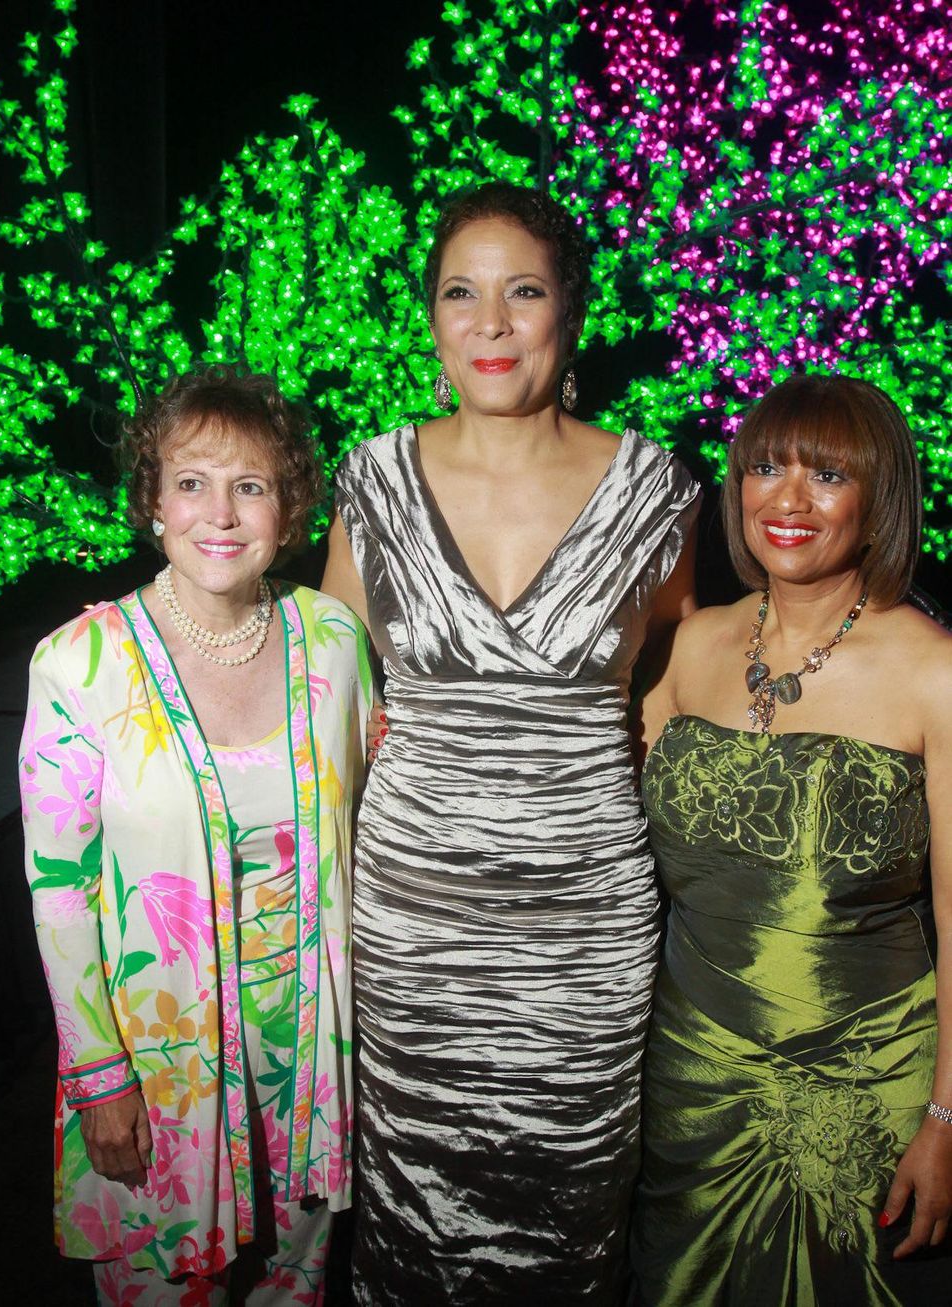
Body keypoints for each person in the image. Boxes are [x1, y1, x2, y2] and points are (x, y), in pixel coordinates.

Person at [321, 181, 700, 1304]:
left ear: (568, 312)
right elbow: (325, 671)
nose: (489, 322)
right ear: (431, 317)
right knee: (417, 1207)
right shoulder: (373, 478)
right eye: (460, 293)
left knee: (565, 1206)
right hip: (414, 924)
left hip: (581, 931)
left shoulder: (654, 486)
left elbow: (676, 672)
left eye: (521, 291)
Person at [19, 368, 372, 1305]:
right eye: (191, 482)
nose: (220, 512)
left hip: (308, 1051)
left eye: (250, 485)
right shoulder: (79, 663)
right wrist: (98, 1075)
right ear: (153, 500)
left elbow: (372, 814)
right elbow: (59, 888)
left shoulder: (333, 639)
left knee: (295, 1282)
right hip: (157, 1058)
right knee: (164, 1283)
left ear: (289, 508)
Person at [631, 374, 952, 1305]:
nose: (790, 499)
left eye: (828, 475)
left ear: (878, 495)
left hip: (870, 1094)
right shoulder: (689, 646)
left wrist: (946, 1115)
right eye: (766, 467)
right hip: (686, 1086)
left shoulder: (934, 671)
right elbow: (584, 807)